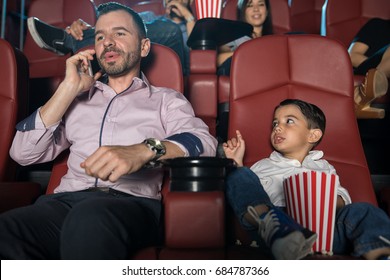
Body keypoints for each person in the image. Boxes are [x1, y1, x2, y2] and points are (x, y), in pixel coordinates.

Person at [0, 2, 217, 260]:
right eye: (101, 36)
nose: (108, 42)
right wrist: (67, 89)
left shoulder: (165, 100)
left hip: (130, 205)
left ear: (144, 47)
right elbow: (22, 154)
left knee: (89, 219)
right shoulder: (77, 100)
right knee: (7, 228)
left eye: (120, 33)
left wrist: (144, 150)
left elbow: (203, 142)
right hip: (63, 204)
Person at [223, 98, 390, 260]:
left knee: (363, 210)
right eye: (275, 123)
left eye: (288, 121)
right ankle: (275, 228)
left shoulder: (324, 167)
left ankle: (381, 255)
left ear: (313, 135)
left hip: (323, 231)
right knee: (239, 175)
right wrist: (237, 162)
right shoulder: (263, 165)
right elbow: (245, 192)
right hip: (277, 228)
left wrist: (319, 201)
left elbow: (341, 198)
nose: (278, 128)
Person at [27, 0, 196, 75]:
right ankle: (75, 37)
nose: (177, 1)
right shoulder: (148, 15)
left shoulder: (190, 24)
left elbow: (196, 50)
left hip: (177, 64)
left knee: (172, 29)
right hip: (137, 59)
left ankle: (68, 41)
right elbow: (121, 29)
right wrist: (90, 28)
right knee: (127, 25)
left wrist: (188, 17)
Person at [217, 0, 273, 76]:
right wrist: (245, 53)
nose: (256, 9)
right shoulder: (235, 38)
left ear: (267, 11)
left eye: (261, 4)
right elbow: (217, 59)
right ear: (243, 11)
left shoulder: (274, 40)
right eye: (250, 5)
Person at [348, 18, 390, 119]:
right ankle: (368, 87)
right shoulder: (378, 24)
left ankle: (362, 94)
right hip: (367, 68)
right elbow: (352, 56)